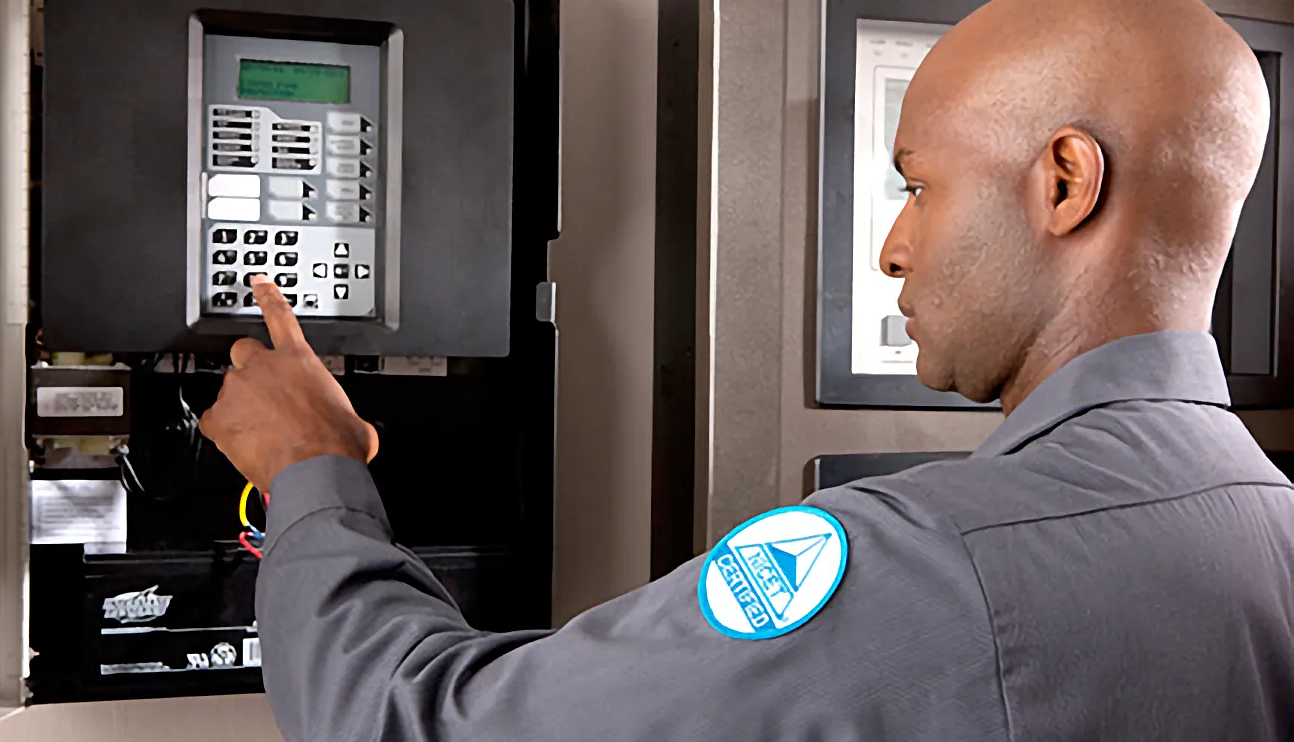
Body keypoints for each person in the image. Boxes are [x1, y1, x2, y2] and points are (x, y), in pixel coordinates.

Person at [198, 0, 1294, 738]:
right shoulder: (1271, 527)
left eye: (919, 185)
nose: (892, 246)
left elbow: (421, 720)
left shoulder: (918, 567)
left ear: (1065, 181)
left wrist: (312, 470)